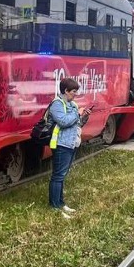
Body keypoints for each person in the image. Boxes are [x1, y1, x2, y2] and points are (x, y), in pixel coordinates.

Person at [48, 77, 90, 218]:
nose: (75, 94)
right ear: (65, 91)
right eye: (73, 91)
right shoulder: (57, 104)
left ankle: (60, 203)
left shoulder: (72, 105)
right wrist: (77, 113)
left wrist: (84, 117)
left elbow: (77, 125)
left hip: (71, 143)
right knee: (58, 176)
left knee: (62, 175)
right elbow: (63, 121)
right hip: (61, 144)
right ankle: (54, 206)